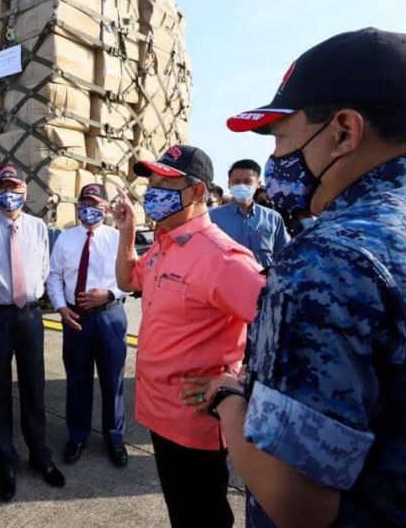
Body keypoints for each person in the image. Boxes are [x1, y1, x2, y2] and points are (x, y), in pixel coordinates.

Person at [213, 27, 406, 527]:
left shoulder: (331, 259)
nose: (276, 162)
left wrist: (230, 402)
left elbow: (297, 504)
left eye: (279, 137)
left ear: (343, 131)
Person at [113, 144, 265, 528]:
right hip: (156, 412)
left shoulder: (222, 257)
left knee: (202, 517)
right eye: (152, 182)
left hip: (192, 421)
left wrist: (240, 382)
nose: (153, 192)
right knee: (181, 512)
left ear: (198, 191)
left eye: (166, 182)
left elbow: (285, 326)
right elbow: (128, 279)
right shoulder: (165, 243)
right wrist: (127, 232)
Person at [0, 163, 65, 501]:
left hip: (29, 316)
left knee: (34, 387)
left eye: (15, 186)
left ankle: (40, 456)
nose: (9, 193)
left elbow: (44, 267)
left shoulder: (38, 228)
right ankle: (5, 461)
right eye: (3, 186)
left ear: (25, 191)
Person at [46, 183, 128, 467]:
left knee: (112, 381)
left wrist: (110, 293)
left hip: (110, 317)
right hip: (76, 318)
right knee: (78, 380)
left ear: (104, 209)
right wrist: (61, 307)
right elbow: (54, 276)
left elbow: (130, 277)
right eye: (84, 204)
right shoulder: (65, 239)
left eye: (94, 204)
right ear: (78, 207)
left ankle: (114, 438)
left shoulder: (118, 238)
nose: (88, 209)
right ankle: (77, 435)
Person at [209, 159, 289, 269]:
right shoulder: (212, 218)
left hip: (265, 283)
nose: (241, 186)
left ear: (258, 184)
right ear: (229, 184)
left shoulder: (273, 218)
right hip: (225, 283)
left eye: (247, 182)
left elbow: (284, 256)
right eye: (236, 182)